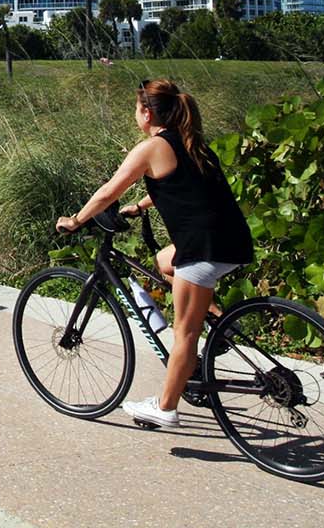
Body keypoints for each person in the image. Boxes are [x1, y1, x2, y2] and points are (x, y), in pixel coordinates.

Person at [55, 78, 254, 431]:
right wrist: (142, 204)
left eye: (136, 109)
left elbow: (107, 192)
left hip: (204, 248)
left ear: (147, 113)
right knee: (164, 261)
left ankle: (165, 407)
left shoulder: (151, 148)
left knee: (185, 334)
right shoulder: (192, 142)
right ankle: (220, 323)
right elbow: (187, 185)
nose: (135, 115)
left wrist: (76, 220)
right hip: (231, 238)